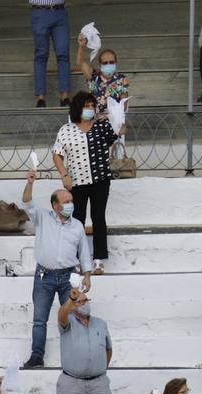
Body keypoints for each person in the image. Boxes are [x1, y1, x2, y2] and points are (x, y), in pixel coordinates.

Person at [20, 170, 92, 368]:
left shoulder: (77, 225)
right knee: (39, 319)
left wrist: (87, 275)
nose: (70, 204)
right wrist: (30, 183)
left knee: (73, 316)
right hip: (44, 275)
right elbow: (26, 202)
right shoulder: (42, 217)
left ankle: (76, 356)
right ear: (55, 205)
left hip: (69, 276)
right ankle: (36, 356)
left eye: (71, 200)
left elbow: (84, 252)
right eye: (66, 201)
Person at [52, 92, 121, 273]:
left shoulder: (101, 125)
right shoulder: (66, 130)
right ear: (77, 108)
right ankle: (76, 259)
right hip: (77, 183)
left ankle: (98, 260)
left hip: (101, 180)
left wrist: (119, 123)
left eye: (92, 106)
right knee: (77, 220)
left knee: (98, 217)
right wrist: (64, 175)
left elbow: (116, 136)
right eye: (86, 106)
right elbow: (57, 154)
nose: (90, 109)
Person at [76, 36, 130, 120]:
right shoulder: (93, 76)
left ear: (116, 62)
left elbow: (124, 106)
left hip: (113, 121)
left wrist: (108, 116)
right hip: (92, 120)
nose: (108, 64)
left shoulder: (122, 79)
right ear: (100, 64)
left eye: (111, 62)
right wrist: (82, 46)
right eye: (105, 63)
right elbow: (81, 62)